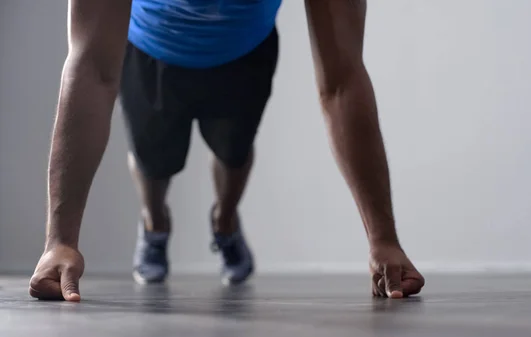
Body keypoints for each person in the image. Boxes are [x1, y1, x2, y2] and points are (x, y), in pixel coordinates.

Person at [28, 0, 425, 302]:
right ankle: (155, 225)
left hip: (244, 52)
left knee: (233, 155)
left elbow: (342, 82)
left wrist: (383, 240)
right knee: (154, 163)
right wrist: (60, 242)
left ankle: (225, 221)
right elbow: (91, 69)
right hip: (151, 49)